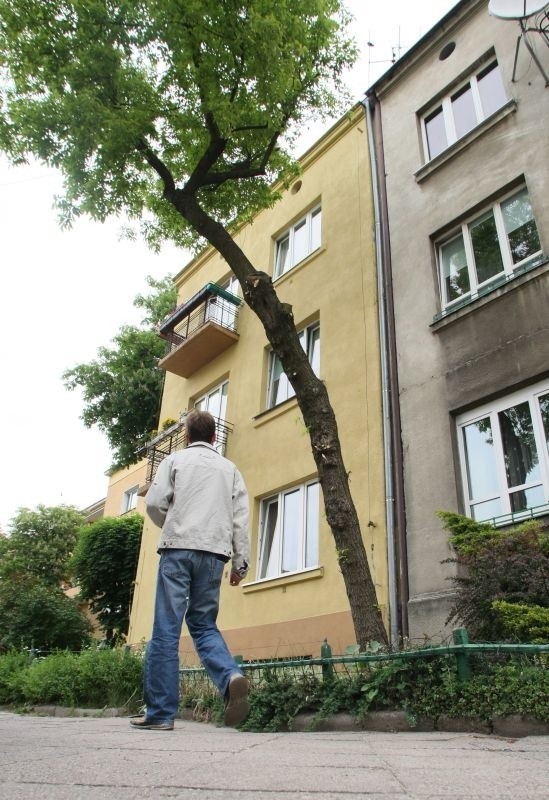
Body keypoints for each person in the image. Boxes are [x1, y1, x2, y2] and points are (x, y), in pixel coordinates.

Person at [130, 410, 250, 731]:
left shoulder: (175, 461)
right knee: (203, 624)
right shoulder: (230, 470)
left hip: (178, 549)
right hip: (214, 555)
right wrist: (240, 563)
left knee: (166, 629)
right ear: (214, 437)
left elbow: (154, 503)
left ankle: (160, 713)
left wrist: (172, 523)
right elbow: (240, 518)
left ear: (186, 436)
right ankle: (230, 676)